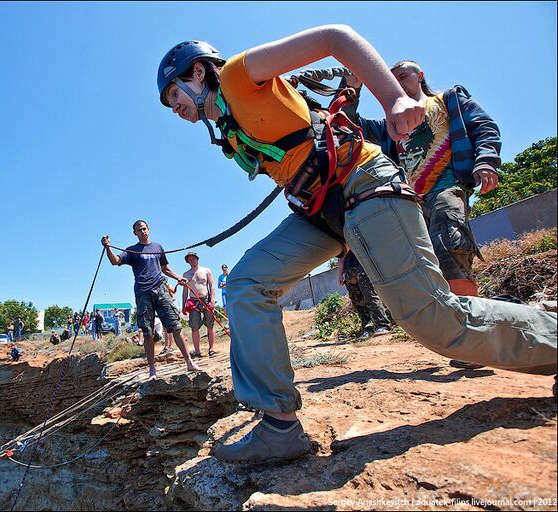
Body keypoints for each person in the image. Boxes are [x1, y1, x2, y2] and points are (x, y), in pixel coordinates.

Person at [157, 28, 556, 464]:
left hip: (364, 185)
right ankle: (279, 426)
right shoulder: (228, 126)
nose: (172, 107)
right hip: (322, 213)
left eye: (172, 93)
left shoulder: (236, 75)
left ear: (198, 72)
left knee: (436, 320)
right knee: (247, 283)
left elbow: (335, 36)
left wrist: (394, 98)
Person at [341, 61, 501, 369]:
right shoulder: (391, 125)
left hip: (448, 186)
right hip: (411, 202)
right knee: (424, 264)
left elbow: (484, 126)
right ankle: (454, 332)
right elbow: (348, 124)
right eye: (392, 77)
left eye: (403, 74)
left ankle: (474, 338)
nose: (398, 80)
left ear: (420, 76)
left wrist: (486, 160)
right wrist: (352, 88)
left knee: (451, 244)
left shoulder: (446, 101)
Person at [101, 220, 202, 379]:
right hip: (142, 292)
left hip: (161, 289)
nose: (143, 231)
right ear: (135, 233)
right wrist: (107, 247)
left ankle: (189, 362)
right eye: (139, 230)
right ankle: (152, 370)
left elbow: (164, 268)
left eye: (144, 228)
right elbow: (115, 261)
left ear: (148, 229)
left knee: (175, 326)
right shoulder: (131, 251)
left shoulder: (157, 247)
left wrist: (178, 278)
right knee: (147, 333)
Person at [337, 250, 392, 338]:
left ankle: (383, 325)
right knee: (358, 302)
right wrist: (340, 274)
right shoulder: (340, 240)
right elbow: (341, 257)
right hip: (349, 271)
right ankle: (367, 329)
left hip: (362, 267)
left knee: (371, 296)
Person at [182, 252, 217, 358]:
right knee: (195, 327)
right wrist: (183, 305)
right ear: (187, 261)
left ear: (197, 259)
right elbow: (185, 291)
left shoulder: (206, 271)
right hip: (193, 302)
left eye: (193, 258)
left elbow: (212, 286)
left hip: (206, 300)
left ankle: (212, 349)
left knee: (210, 325)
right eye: (190, 259)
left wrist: (212, 301)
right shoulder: (186, 274)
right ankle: (197, 352)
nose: (192, 260)